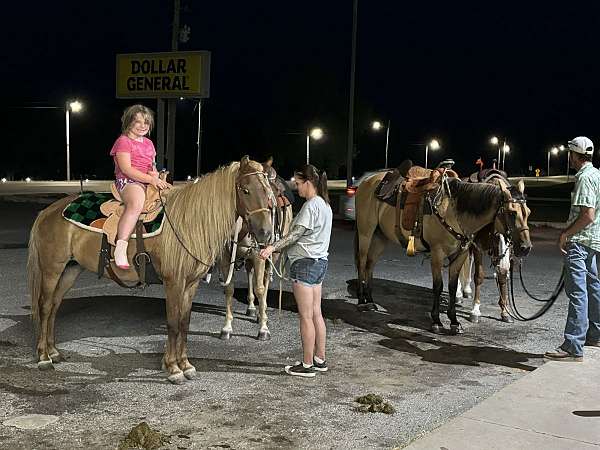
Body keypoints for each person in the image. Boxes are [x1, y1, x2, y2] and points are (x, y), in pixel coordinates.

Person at [259, 164, 333, 377]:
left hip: (305, 265)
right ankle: (320, 359)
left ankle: (307, 365)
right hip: (319, 263)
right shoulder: (326, 205)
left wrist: (271, 248)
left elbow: (295, 235)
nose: (296, 188)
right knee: (317, 313)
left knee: (306, 317)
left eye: (299, 184)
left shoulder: (311, 206)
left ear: (308, 183)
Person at [545, 136, 600, 362]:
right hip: (595, 241)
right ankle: (595, 336)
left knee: (578, 292)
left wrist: (566, 233)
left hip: (580, 241)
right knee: (593, 287)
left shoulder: (585, 178)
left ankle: (572, 345)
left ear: (575, 155)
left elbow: (587, 215)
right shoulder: (597, 174)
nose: (568, 157)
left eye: (570, 153)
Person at [109, 104, 171, 269]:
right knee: (136, 203)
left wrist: (156, 175)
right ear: (129, 122)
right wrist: (151, 180)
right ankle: (120, 247)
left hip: (148, 180)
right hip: (128, 181)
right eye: (138, 122)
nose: (143, 126)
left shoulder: (149, 143)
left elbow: (152, 166)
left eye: (147, 122)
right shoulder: (123, 141)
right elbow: (126, 169)